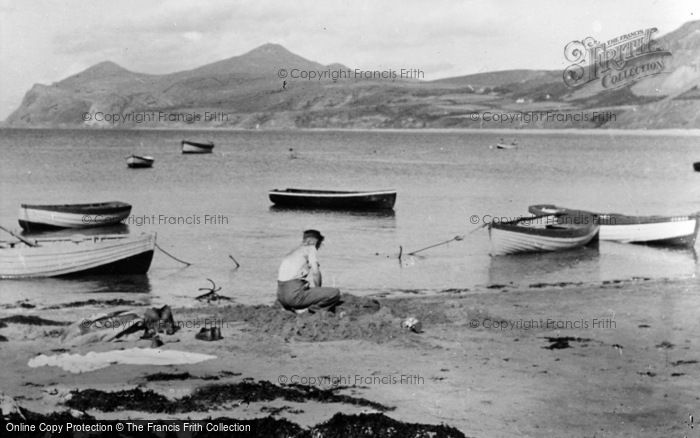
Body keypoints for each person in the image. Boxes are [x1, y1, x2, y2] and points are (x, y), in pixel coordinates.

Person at [277, 229, 341, 314]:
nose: (318, 247)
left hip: (281, 297)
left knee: (306, 288)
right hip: (293, 296)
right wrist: (319, 290)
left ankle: (292, 308)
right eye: (319, 244)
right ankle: (311, 311)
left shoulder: (294, 251)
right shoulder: (310, 248)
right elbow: (315, 273)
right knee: (335, 293)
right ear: (314, 241)